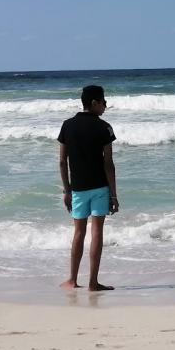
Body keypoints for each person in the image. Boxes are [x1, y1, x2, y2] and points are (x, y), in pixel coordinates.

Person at [58, 85, 118, 291]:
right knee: (97, 233)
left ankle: (72, 280)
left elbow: (62, 162)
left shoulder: (67, 126)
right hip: (100, 187)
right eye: (103, 102)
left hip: (78, 189)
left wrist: (67, 190)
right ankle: (93, 282)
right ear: (93, 102)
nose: (105, 106)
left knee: (78, 233)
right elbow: (108, 164)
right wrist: (114, 194)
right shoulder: (105, 127)